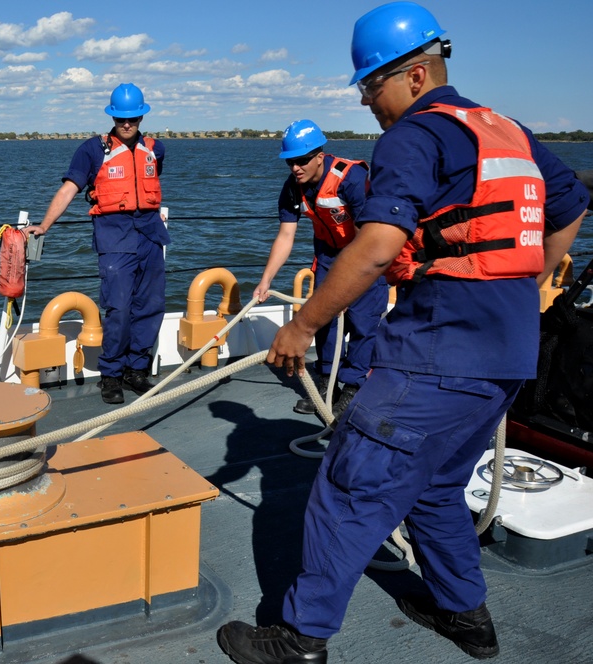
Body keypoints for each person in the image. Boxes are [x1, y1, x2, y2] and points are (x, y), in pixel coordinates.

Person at [218, 3, 588, 663]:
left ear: (415, 76)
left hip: (438, 351)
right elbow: (570, 205)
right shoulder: (504, 128)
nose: (368, 104)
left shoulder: (414, 136)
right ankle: (466, 617)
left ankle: (301, 640)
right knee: (439, 486)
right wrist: (529, 287)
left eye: (371, 87)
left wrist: (303, 325)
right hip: (507, 356)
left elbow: (380, 241)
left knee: (348, 482)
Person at [23, 83, 169, 405]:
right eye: (121, 119)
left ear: (142, 116)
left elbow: (150, 183)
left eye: (133, 118)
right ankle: (111, 374)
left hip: (150, 234)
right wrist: (45, 225)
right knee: (119, 308)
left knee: (151, 305)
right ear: (112, 118)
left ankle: (137, 369)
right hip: (114, 236)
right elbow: (68, 189)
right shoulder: (93, 150)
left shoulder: (156, 149)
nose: (127, 124)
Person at [254, 119, 387, 418]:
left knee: (364, 323)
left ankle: (353, 388)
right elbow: (286, 235)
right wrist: (265, 281)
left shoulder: (351, 179)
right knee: (323, 321)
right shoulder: (293, 188)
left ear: (319, 156)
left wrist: (354, 275)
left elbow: (374, 234)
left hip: (363, 258)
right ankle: (327, 385)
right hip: (327, 258)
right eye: (290, 162)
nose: (295, 168)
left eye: (301, 161)